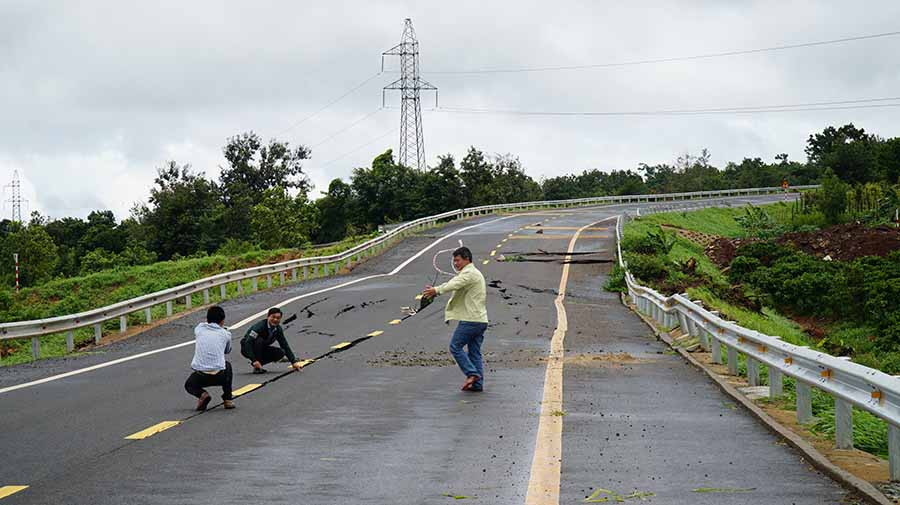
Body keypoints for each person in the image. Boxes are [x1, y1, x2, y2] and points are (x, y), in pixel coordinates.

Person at [422, 246, 488, 392]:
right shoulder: (471, 273)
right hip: (481, 320)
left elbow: (454, 284)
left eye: (458, 260)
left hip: (471, 320)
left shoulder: (470, 273)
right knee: (474, 352)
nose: (455, 264)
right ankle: (477, 385)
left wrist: (436, 290)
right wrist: (437, 290)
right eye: (454, 261)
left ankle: (472, 374)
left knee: (455, 346)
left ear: (467, 259)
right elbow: (454, 281)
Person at [184, 305, 235, 410]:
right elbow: (227, 351)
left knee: (189, 385)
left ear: (207, 319)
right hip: (219, 375)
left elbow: (203, 325)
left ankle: (202, 394)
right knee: (228, 365)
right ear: (223, 320)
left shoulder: (199, 329)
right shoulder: (226, 334)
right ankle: (228, 399)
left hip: (200, 375)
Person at [240, 307, 304, 374]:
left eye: (278, 318)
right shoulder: (259, 327)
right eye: (273, 317)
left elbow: (284, 345)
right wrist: (254, 360)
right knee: (259, 340)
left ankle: (259, 365)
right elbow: (248, 343)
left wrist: (293, 362)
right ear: (268, 317)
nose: (275, 319)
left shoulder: (278, 329)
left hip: (262, 348)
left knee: (281, 352)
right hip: (247, 348)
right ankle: (256, 365)